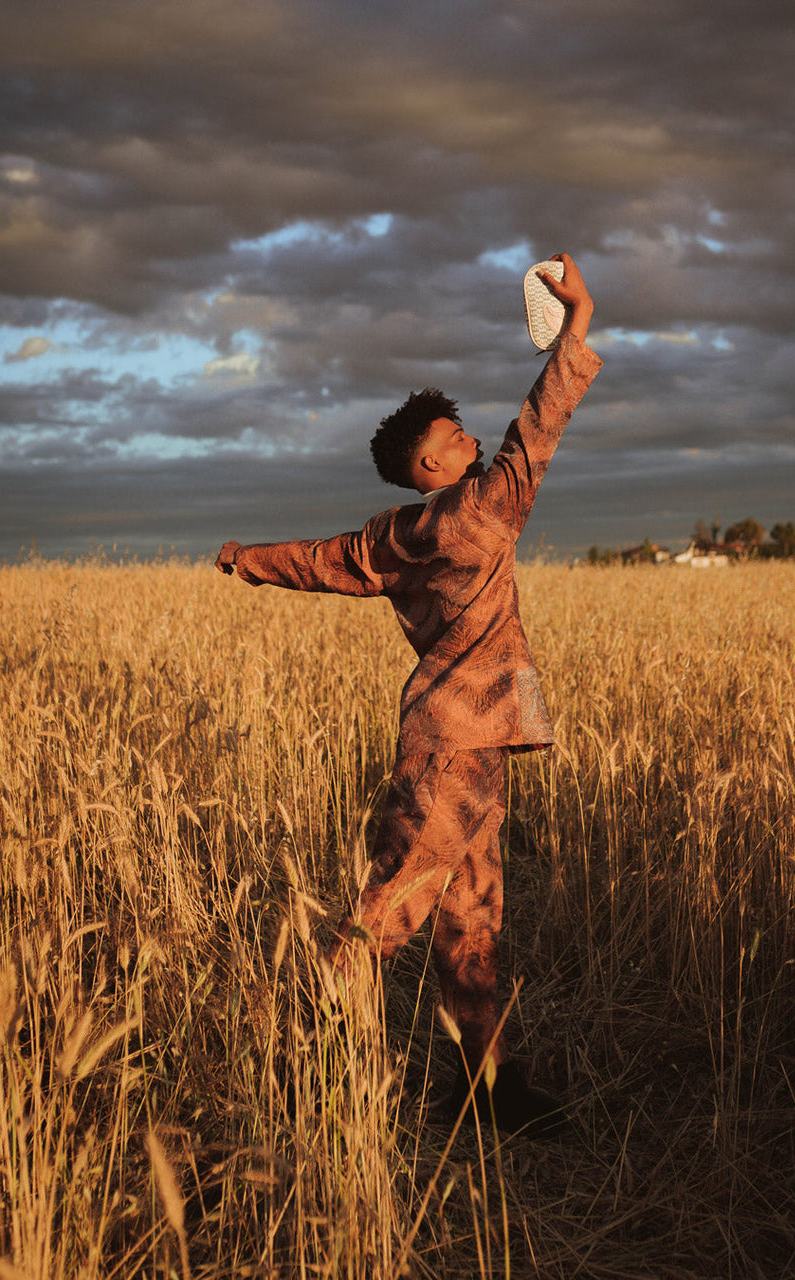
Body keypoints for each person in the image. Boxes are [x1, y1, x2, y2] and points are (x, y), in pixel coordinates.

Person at [216, 253, 601, 1134]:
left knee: (470, 927)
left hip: (463, 745)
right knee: (383, 917)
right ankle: (295, 1074)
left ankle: (487, 1089)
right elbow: (540, 426)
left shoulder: (394, 533)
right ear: (430, 461)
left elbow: (321, 560)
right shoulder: (479, 513)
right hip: (456, 751)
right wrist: (576, 324)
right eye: (457, 437)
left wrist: (245, 559)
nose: (472, 441)